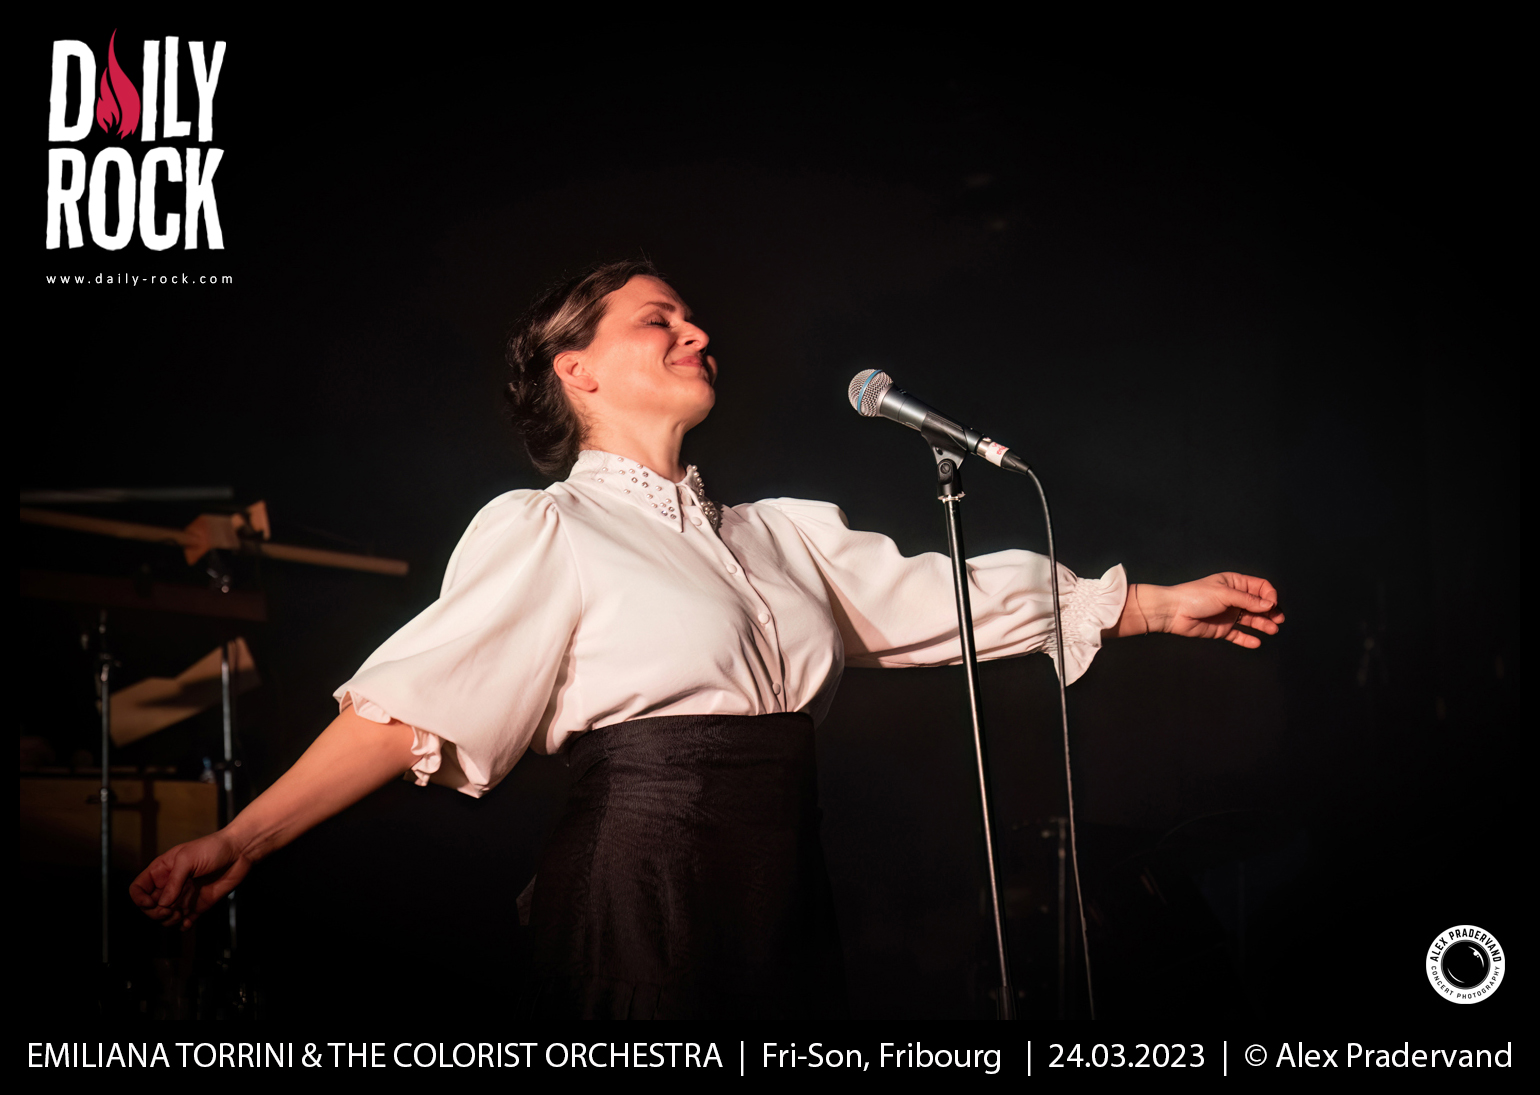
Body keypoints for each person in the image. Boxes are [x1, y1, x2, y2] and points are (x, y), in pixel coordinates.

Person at [130, 259, 1284, 1018]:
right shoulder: (549, 527)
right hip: (642, 882)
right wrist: (243, 841)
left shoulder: (780, 535)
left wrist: (1148, 603)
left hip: (784, 884)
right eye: (659, 321)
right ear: (577, 371)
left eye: (692, 319)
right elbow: (413, 703)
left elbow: (949, 599)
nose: (696, 332)